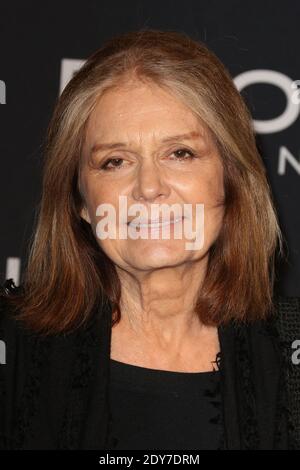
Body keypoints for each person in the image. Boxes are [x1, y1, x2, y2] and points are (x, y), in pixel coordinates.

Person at [0, 28, 299, 450]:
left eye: (180, 153)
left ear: (231, 181)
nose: (149, 187)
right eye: (115, 161)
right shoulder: (12, 354)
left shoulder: (291, 356)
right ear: (79, 201)